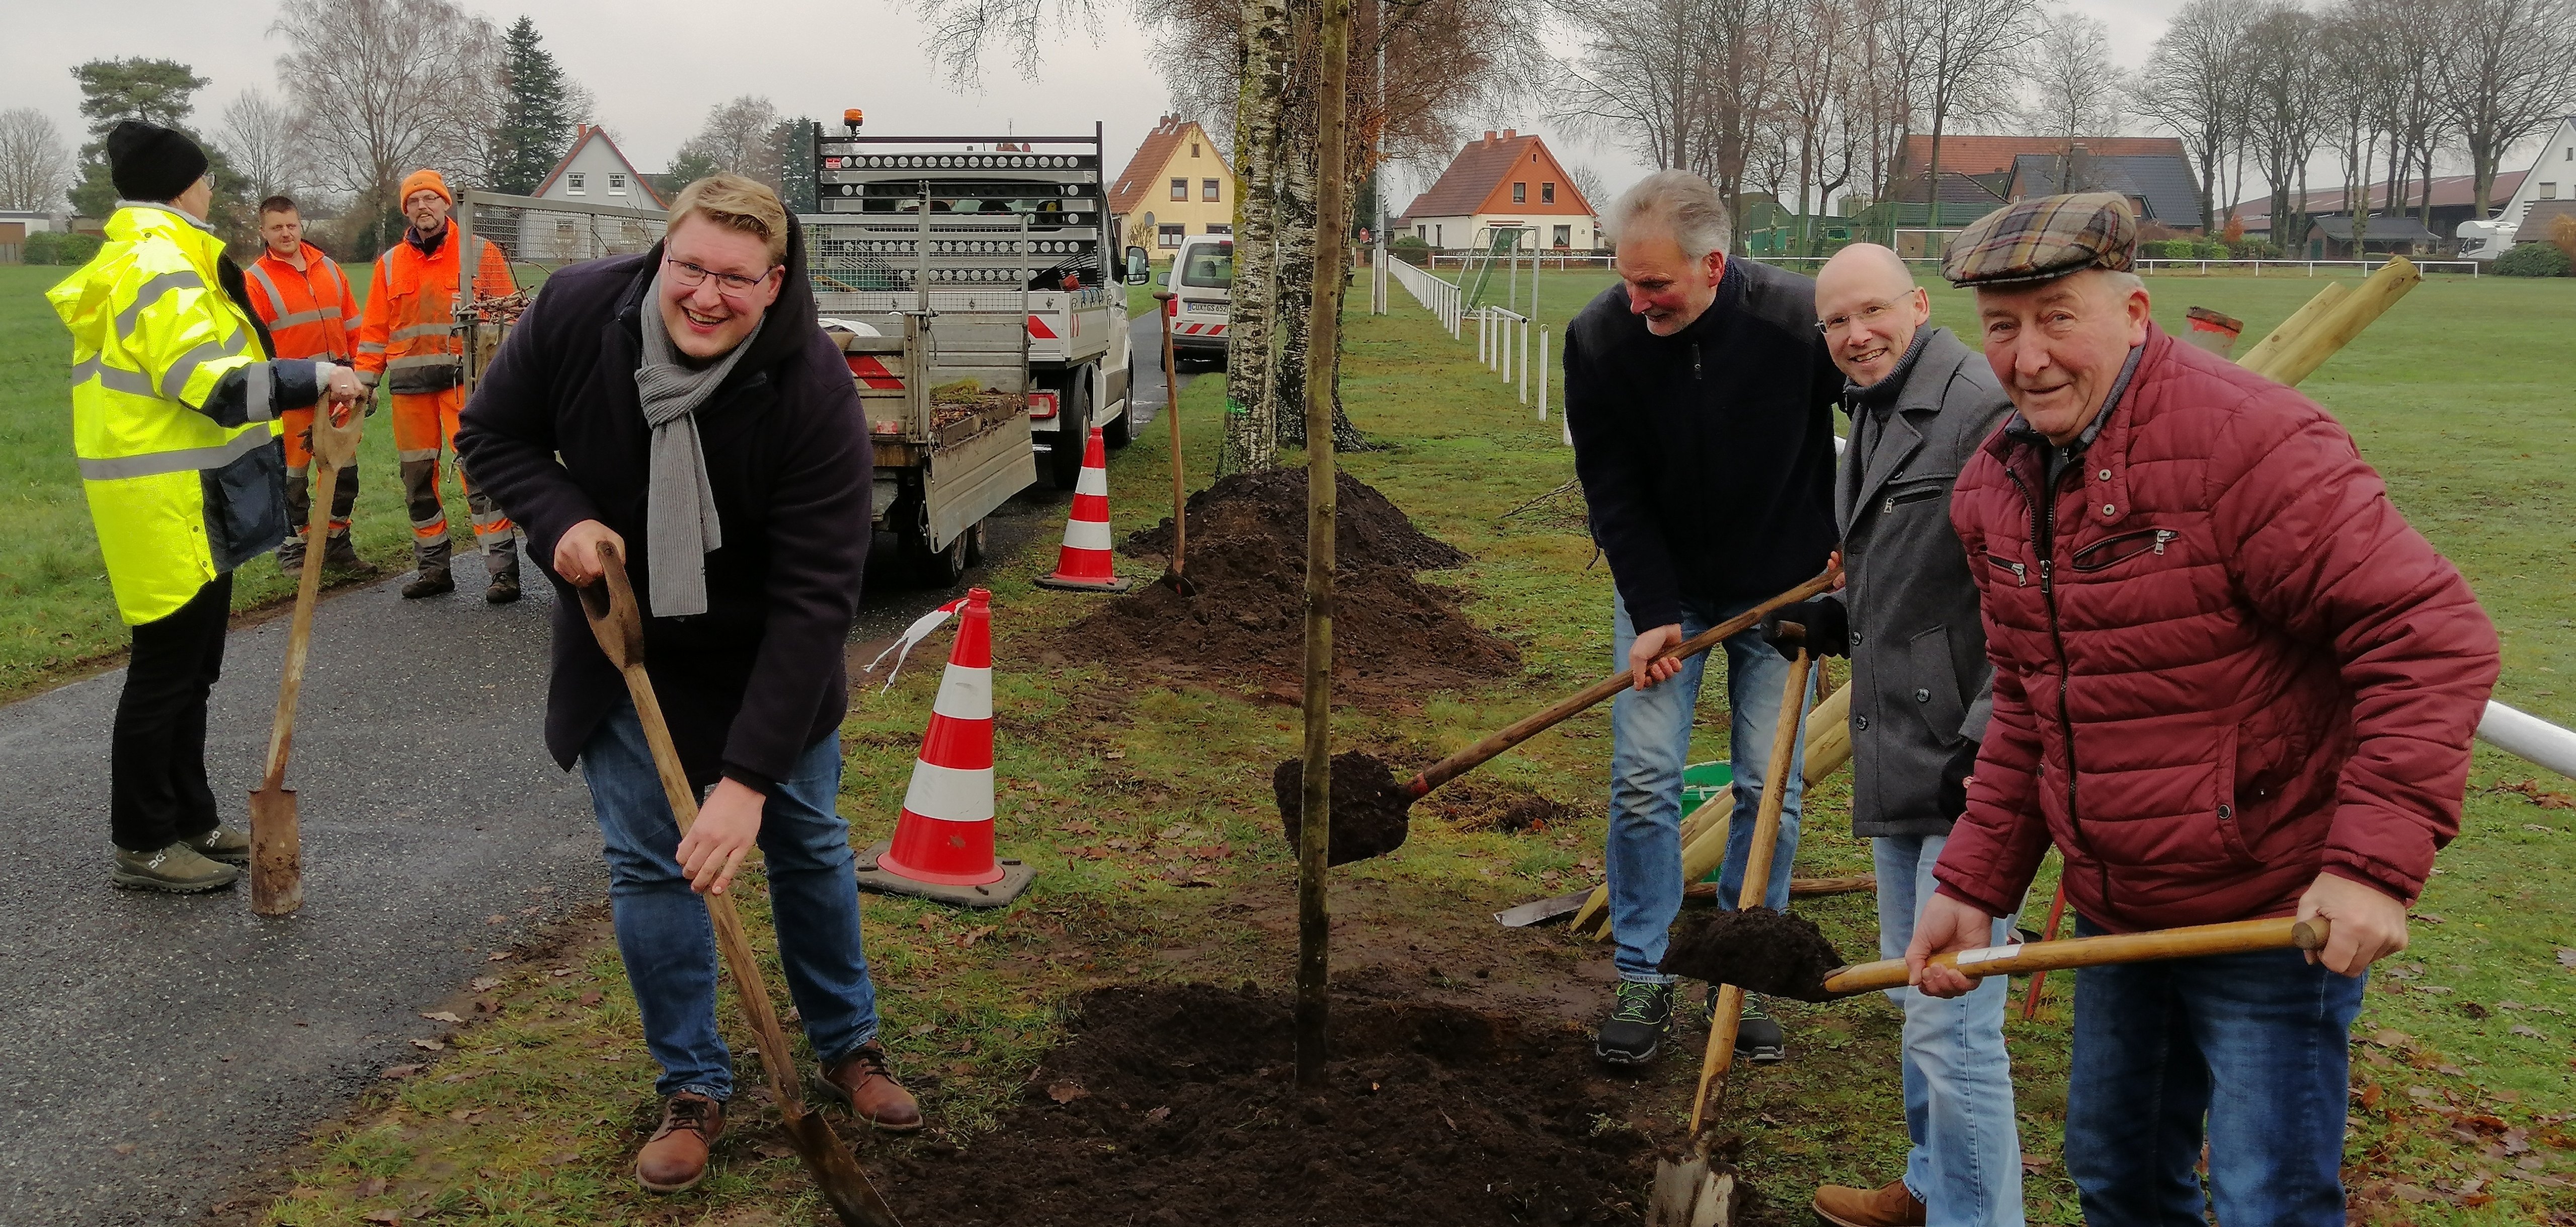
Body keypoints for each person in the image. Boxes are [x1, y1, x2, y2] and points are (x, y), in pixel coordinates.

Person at [1908, 192, 2499, 1225]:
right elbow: (2029, 699)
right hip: (2120, 905)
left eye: (2057, 316)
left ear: (2134, 310)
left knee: (2267, 1198)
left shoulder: (2250, 447)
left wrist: (2367, 867)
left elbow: (2428, 634)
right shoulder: (1995, 486)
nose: (2027, 355)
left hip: (2270, 907)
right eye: (2001, 326)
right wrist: (1974, 878)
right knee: (2119, 1179)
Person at [456, 174, 920, 1195]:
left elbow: (816, 603)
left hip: (768, 657)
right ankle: (694, 1085)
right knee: (652, 867)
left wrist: (747, 781)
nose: (708, 296)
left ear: (776, 280)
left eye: (736, 279)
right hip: (625, 644)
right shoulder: (579, 312)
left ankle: (847, 1045)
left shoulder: (811, 389)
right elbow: (494, 435)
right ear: (661, 257)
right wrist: (560, 517)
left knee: (805, 843)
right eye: (691, 269)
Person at [1759, 244, 2020, 1227]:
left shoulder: (1981, 410)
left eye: (1872, 311)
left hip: (1972, 760)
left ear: (1918, 303)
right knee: (1917, 998)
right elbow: (1915, 568)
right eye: (1836, 322)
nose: (1855, 334)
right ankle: (1928, 1185)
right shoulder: (1869, 409)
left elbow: (2027, 603)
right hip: (1906, 741)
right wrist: (1841, 616)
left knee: (1956, 1022)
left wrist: (1987, 742)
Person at [1563, 170, 1840, 1066]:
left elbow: (1877, 425)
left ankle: (1743, 967)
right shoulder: (1600, 338)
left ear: (1713, 264)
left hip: (1784, 588)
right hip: (1667, 589)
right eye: (1626, 279)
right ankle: (1645, 972)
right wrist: (1650, 611)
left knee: (1770, 786)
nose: (1637, 301)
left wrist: (1837, 564)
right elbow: (1611, 486)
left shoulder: (1800, 323)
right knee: (1645, 774)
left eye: (1657, 285)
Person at [48, 121, 366, 892]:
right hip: (165, 501)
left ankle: (190, 817)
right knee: (166, 672)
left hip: (190, 496)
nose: (212, 187)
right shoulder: (156, 265)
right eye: (202, 176)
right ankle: (144, 840)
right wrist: (317, 375)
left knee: (195, 671)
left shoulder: (174, 256)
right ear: (179, 184)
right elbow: (218, 386)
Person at [354, 169, 521, 602]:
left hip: (464, 387)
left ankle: (503, 573)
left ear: (447, 204)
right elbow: (374, 330)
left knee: (478, 474)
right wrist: (364, 383)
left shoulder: (480, 253)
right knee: (417, 481)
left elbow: (510, 320)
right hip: (410, 393)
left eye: (430, 198)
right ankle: (433, 570)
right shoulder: (389, 264)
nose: (422, 207)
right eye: (413, 201)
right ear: (406, 211)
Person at [245, 194, 368, 575]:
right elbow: (255, 347)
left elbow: (354, 328)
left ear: (301, 226)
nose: (286, 233)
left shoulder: (329, 269)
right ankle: (294, 549)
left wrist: (363, 379)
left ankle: (335, 545)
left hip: (339, 393)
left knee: (343, 474)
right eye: (277, 227)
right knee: (292, 478)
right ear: (263, 231)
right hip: (291, 395)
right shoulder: (255, 281)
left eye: (292, 225)